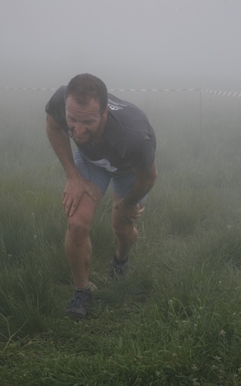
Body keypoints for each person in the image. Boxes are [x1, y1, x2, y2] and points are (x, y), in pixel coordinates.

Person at [45, 73, 157, 319]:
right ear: (66, 105)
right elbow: (53, 126)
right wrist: (73, 176)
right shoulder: (60, 100)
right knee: (76, 222)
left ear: (104, 112)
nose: (78, 129)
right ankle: (82, 293)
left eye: (88, 122)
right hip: (92, 160)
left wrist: (127, 204)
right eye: (73, 119)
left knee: (121, 227)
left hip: (129, 170)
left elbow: (148, 177)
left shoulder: (133, 137)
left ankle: (120, 260)